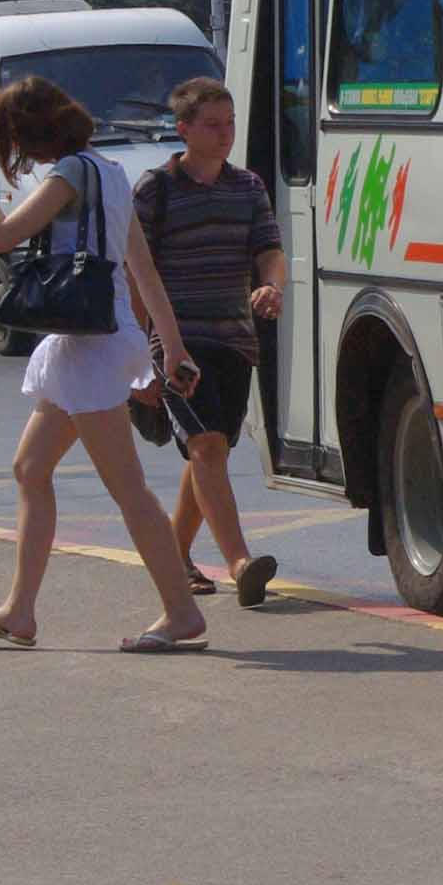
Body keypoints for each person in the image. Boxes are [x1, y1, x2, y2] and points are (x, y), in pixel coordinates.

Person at [0, 76, 209, 653]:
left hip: (90, 346)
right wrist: (170, 348)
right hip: (90, 340)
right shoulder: (112, 174)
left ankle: (181, 612)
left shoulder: (70, 174)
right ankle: (20, 610)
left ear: (37, 137)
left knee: (129, 490)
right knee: (30, 469)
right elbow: (142, 270)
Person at [130, 77, 286, 608]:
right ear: (184, 130)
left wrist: (272, 285)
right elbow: (135, 272)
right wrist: (140, 356)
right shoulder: (157, 189)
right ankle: (240, 562)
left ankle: (174, 555)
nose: (225, 135)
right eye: (213, 126)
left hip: (234, 342)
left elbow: (269, 250)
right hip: (177, 344)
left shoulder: (248, 188)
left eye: (230, 123)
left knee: (209, 451)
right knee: (207, 446)